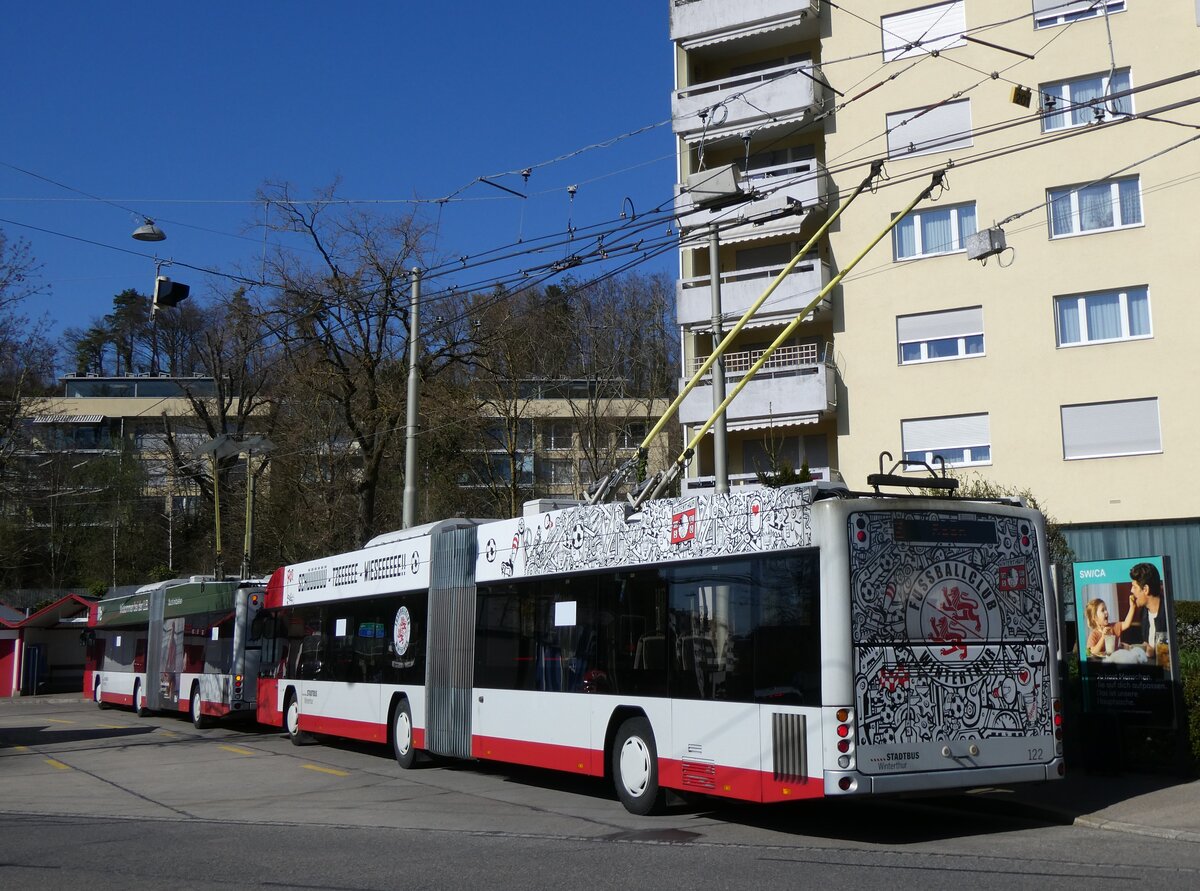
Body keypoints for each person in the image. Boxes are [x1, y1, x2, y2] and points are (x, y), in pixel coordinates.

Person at [1127, 562, 1167, 651]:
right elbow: (1146, 646)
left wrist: (1153, 652)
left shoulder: (1168, 613)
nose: (1131, 590)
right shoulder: (1144, 612)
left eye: (1134, 587)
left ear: (1145, 589)